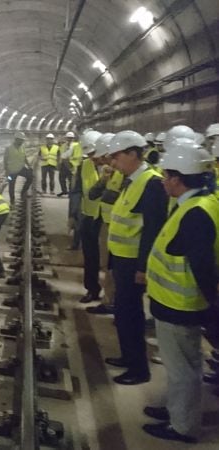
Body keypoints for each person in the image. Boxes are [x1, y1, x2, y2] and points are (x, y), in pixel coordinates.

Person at [141, 139, 219, 443]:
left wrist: (213, 305)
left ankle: (182, 426)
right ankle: (176, 410)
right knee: (182, 365)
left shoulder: (195, 213)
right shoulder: (203, 202)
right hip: (175, 302)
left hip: (179, 304)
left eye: (166, 175)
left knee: (183, 370)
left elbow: (201, 266)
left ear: (178, 178)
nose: (163, 181)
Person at [105, 130, 168, 385]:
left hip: (134, 264)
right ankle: (128, 357)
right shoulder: (130, 179)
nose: (113, 162)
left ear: (133, 153)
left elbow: (153, 229)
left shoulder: (151, 183)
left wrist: (143, 267)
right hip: (122, 259)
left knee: (131, 315)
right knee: (123, 312)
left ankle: (139, 369)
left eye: (117, 156)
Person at [86, 133, 123, 315]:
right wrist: (104, 179)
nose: (103, 161)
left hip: (120, 230)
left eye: (107, 157)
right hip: (106, 223)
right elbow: (93, 194)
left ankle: (112, 303)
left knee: (113, 268)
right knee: (107, 266)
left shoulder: (127, 177)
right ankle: (109, 301)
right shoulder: (111, 174)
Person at [74, 131, 103, 302]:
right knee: (90, 257)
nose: (92, 157)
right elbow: (77, 191)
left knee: (108, 263)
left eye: (94, 153)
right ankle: (92, 289)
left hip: (108, 219)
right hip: (88, 216)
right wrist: (73, 214)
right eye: (89, 154)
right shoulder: (83, 165)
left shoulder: (116, 166)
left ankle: (111, 298)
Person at [3, 131, 33, 203]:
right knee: (11, 185)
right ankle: (12, 201)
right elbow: (5, 160)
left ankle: (23, 193)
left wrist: (29, 165)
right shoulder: (9, 148)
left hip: (21, 168)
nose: (22, 141)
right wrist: (6, 171)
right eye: (21, 140)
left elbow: (24, 157)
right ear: (16, 139)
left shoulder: (22, 147)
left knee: (30, 177)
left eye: (23, 140)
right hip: (11, 171)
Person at [58, 131, 82, 196]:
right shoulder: (63, 146)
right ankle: (64, 191)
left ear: (73, 138)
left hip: (71, 164)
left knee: (71, 179)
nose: (69, 139)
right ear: (66, 138)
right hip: (64, 164)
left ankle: (71, 192)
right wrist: (60, 163)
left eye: (71, 138)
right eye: (68, 138)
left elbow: (78, 155)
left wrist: (70, 159)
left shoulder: (76, 145)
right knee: (61, 178)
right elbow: (62, 155)